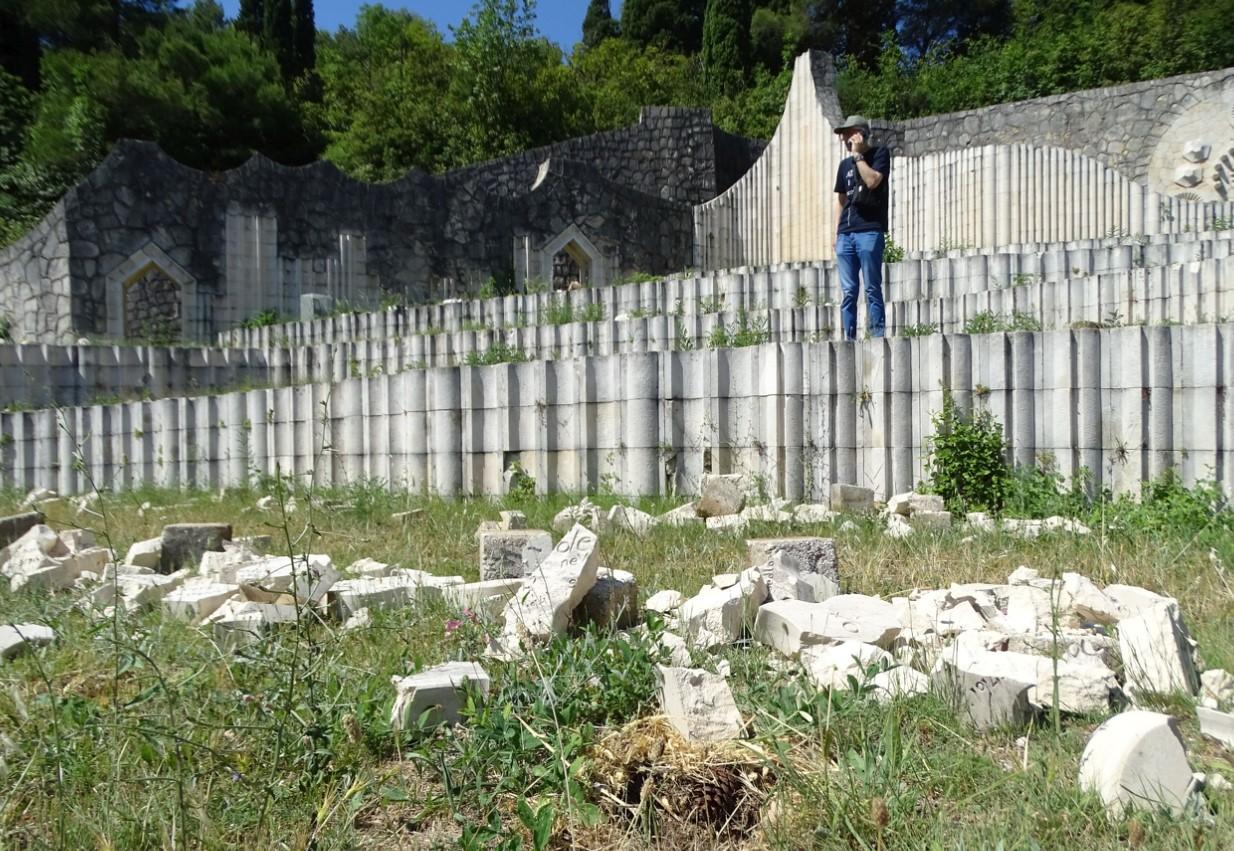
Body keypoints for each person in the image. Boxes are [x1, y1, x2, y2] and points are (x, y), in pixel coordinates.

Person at [833, 115, 891, 340]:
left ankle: (877, 336)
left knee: (872, 288)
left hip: (869, 231)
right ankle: (849, 338)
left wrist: (858, 156)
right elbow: (840, 200)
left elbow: (873, 181)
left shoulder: (879, 154)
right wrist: (836, 233)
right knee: (848, 292)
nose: (844, 139)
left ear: (860, 133)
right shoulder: (843, 166)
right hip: (846, 235)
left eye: (848, 134)